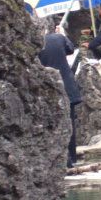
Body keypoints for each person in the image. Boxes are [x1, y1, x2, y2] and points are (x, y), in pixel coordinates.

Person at [39, 27, 82, 166]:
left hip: (48, 89)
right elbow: (70, 49)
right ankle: (72, 158)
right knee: (70, 124)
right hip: (66, 85)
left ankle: (60, 160)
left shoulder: (36, 43)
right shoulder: (58, 38)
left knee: (53, 125)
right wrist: (63, 34)